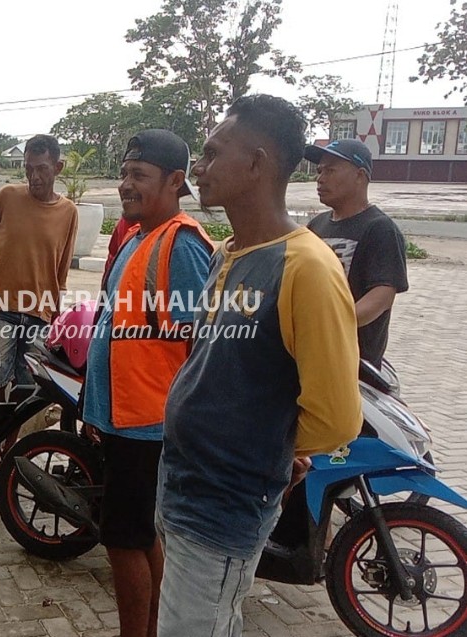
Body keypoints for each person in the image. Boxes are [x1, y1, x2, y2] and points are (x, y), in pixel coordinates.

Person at [155, 95, 362, 637]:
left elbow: (338, 417)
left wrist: (274, 448)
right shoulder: (229, 253)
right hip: (182, 483)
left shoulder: (306, 266)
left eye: (211, 153)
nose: (198, 168)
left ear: (257, 162)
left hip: (225, 502)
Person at [82, 130, 212, 637]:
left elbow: (204, 345)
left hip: (150, 424)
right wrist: (97, 411)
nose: (124, 186)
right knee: (137, 535)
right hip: (125, 419)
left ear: (175, 181)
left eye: (138, 176)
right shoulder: (138, 237)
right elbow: (119, 332)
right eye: (122, 175)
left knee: (122, 539)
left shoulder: (182, 246)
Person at [0, 134, 78, 476]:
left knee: (25, 385)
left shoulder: (68, 212)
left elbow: (61, 267)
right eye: (29, 169)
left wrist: (57, 310)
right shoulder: (6, 197)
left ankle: (8, 448)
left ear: (58, 168)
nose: (34, 177)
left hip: (41, 312)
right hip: (1, 309)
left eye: (42, 169)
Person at [303, 139, 409, 367]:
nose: (320, 178)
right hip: (310, 352)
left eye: (330, 170)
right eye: (319, 171)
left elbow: (381, 296)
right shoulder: (316, 226)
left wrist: (332, 325)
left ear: (360, 176)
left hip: (353, 362)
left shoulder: (379, 228)